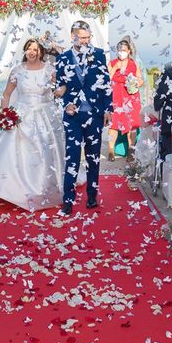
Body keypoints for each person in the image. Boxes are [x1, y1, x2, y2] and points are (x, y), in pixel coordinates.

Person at [0, 38, 65, 211]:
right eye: (29, 48)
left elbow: (63, 86)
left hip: (44, 116)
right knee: (13, 152)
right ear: (25, 50)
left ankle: (41, 187)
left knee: (43, 153)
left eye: (35, 49)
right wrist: (4, 114)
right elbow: (6, 95)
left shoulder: (50, 70)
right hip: (21, 115)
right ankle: (9, 189)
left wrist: (60, 92)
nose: (31, 51)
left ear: (41, 52)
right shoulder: (17, 71)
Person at [55, 21, 112, 215]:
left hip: (94, 114)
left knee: (93, 158)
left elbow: (106, 83)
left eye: (88, 38)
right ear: (73, 36)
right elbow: (59, 88)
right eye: (82, 38)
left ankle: (92, 196)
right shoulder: (62, 58)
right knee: (72, 158)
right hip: (72, 117)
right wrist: (65, 103)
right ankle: (68, 201)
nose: (86, 41)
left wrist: (108, 109)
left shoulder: (98, 54)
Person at [107, 39, 144, 161]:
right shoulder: (112, 63)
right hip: (116, 96)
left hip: (130, 97)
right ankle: (111, 151)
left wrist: (137, 82)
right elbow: (106, 79)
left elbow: (141, 79)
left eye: (123, 50)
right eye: (119, 50)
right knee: (113, 125)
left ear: (129, 51)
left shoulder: (134, 64)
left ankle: (131, 150)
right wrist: (116, 67)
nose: (120, 52)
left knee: (131, 124)